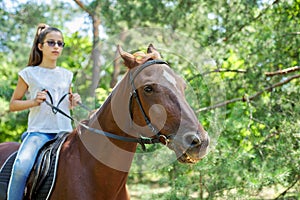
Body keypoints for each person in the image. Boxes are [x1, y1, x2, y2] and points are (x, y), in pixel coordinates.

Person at [7, 23, 81, 200]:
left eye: (60, 43)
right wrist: (34, 101)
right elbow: (13, 104)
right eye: (51, 43)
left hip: (65, 132)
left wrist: (73, 101)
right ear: (40, 46)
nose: (56, 47)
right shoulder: (29, 73)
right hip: (39, 132)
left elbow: (65, 105)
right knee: (21, 166)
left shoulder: (66, 74)